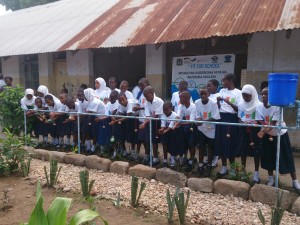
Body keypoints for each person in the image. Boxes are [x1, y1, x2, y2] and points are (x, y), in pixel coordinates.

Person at [256, 87, 300, 193]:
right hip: (267, 135)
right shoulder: (258, 106)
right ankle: (271, 179)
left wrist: (262, 132)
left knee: (287, 157)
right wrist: (262, 130)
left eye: (266, 94)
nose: (263, 96)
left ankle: (295, 181)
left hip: (280, 134)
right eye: (262, 94)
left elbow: (273, 123)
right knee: (268, 157)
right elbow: (260, 121)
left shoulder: (277, 107)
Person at [215, 73, 242, 177]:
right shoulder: (222, 91)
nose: (222, 83)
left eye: (224, 81)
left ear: (230, 81)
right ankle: (224, 167)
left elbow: (238, 109)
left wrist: (229, 102)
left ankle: (233, 169)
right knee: (222, 143)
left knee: (230, 143)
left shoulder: (238, 93)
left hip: (231, 118)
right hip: (221, 117)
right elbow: (219, 107)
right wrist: (217, 102)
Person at [237, 84, 260, 184]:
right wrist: (242, 122)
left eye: (247, 95)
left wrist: (254, 123)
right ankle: (243, 172)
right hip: (243, 129)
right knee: (243, 151)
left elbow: (260, 119)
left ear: (253, 94)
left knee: (256, 152)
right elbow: (239, 117)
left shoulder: (257, 105)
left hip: (254, 131)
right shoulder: (241, 104)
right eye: (244, 95)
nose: (245, 98)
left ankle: (256, 174)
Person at [194, 87, 220, 177]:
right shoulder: (197, 102)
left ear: (209, 94)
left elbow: (215, 117)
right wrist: (198, 121)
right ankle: (200, 165)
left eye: (205, 93)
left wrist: (204, 121)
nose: (203, 95)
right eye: (201, 94)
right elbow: (196, 115)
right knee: (201, 147)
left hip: (211, 129)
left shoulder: (213, 103)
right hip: (201, 129)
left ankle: (209, 166)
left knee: (210, 148)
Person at [139, 86, 164, 166]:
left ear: (152, 93)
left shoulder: (159, 101)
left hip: (157, 122)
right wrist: (144, 123)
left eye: (147, 96)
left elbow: (156, 116)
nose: (146, 98)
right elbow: (148, 115)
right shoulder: (146, 102)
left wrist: (144, 123)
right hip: (149, 122)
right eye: (145, 97)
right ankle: (147, 155)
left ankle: (155, 158)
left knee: (154, 141)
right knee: (146, 139)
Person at [173, 91, 197, 171]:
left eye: (181, 98)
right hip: (185, 126)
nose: (179, 99)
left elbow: (191, 121)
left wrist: (179, 123)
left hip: (192, 127)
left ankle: (192, 159)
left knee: (191, 144)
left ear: (187, 98)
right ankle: (185, 158)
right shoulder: (181, 105)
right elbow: (178, 116)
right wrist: (176, 121)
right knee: (185, 143)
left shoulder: (193, 106)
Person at [111, 93, 138, 158]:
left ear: (126, 98)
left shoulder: (130, 103)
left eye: (123, 99)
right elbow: (120, 114)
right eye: (120, 101)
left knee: (132, 136)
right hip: (127, 119)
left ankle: (133, 153)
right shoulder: (120, 104)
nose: (122, 102)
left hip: (135, 119)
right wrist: (114, 117)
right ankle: (124, 151)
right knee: (121, 132)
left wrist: (116, 121)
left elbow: (128, 117)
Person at [158, 101, 184, 168]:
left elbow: (171, 126)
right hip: (166, 131)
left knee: (172, 145)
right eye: (164, 110)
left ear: (171, 109)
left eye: (166, 110)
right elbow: (163, 124)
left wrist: (165, 130)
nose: (165, 112)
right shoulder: (163, 115)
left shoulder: (174, 115)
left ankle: (173, 159)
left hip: (174, 131)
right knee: (164, 143)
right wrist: (161, 129)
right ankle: (165, 160)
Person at [84, 88, 106, 154]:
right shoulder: (90, 101)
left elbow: (90, 111)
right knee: (87, 131)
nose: (84, 96)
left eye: (85, 95)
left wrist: (87, 111)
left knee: (94, 133)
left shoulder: (95, 101)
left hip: (100, 119)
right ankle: (88, 147)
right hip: (93, 117)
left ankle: (93, 148)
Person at [133, 78, 150, 160]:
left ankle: (147, 156)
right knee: (140, 139)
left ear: (147, 85)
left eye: (142, 85)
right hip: (140, 119)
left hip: (147, 120)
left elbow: (149, 107)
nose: (140, 87)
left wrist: (139, 108)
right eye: (139, 86)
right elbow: (139, 104)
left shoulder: (150, 94)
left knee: (147, 140)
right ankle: (137, 154)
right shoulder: (140, 94)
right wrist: (136, 107)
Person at [206, 79, 221, 167]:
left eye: (210, 86)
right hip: (207, 122)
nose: (208, 88)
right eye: (207, 86)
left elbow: (219, 108)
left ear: (215, 86)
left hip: (215, 121)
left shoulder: (219, 96)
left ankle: (214, 160)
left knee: (214, 142)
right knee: (208, 143)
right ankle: (209, 159)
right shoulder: (208, 95)